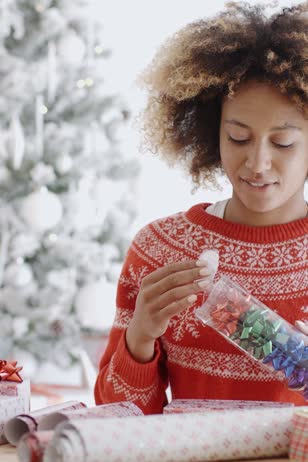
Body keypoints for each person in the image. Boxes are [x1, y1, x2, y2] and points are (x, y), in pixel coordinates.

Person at [94, 1, 308, 414]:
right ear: (212, 134)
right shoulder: (160, 249)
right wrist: (139, 337)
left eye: (283, 143)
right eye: (238, 138)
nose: (258, 163)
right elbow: (114, 418)